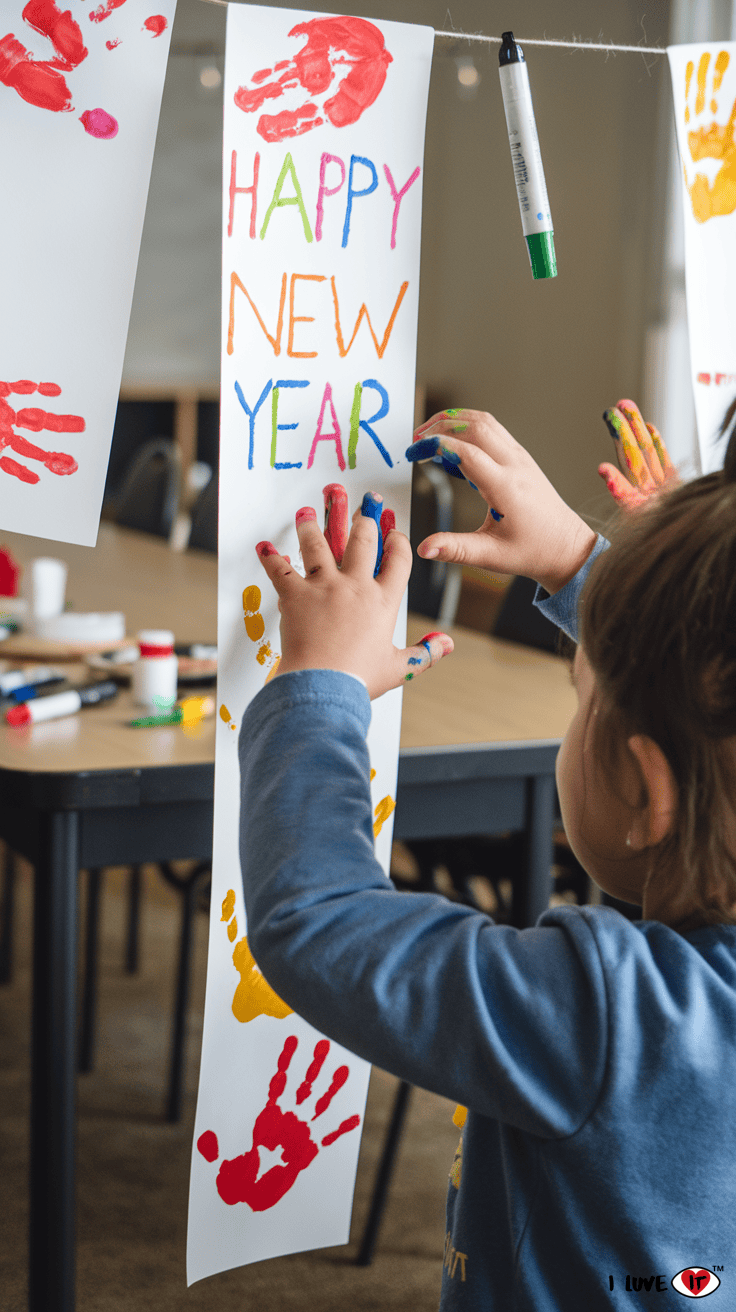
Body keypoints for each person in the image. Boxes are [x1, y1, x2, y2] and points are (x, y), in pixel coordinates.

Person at [239, 401, 736, 1308]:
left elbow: (317, 921)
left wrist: (321, 688)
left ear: (649, 792)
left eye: (582, 693)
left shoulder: (612, 1019)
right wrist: (583, 566)